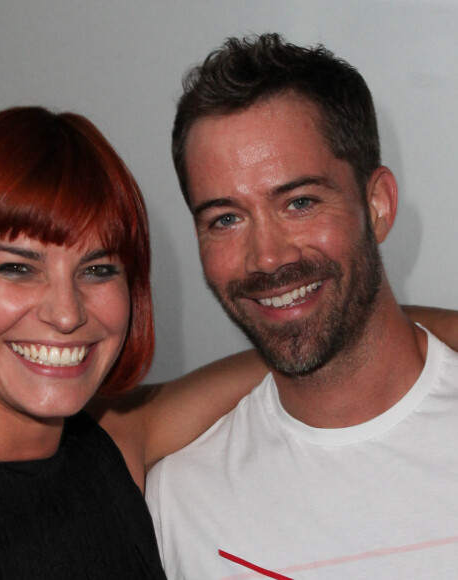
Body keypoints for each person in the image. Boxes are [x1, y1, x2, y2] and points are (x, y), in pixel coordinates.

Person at [0, 106, 261, 578]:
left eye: (98, 270)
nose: (66, 313)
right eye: (16, 268)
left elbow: (288, 358)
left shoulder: (109, 444)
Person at [145, 34, 458, 578]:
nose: (266, 258)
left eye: (300, 202)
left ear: (377, 204)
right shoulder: (177, 500)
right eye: (225, 218)